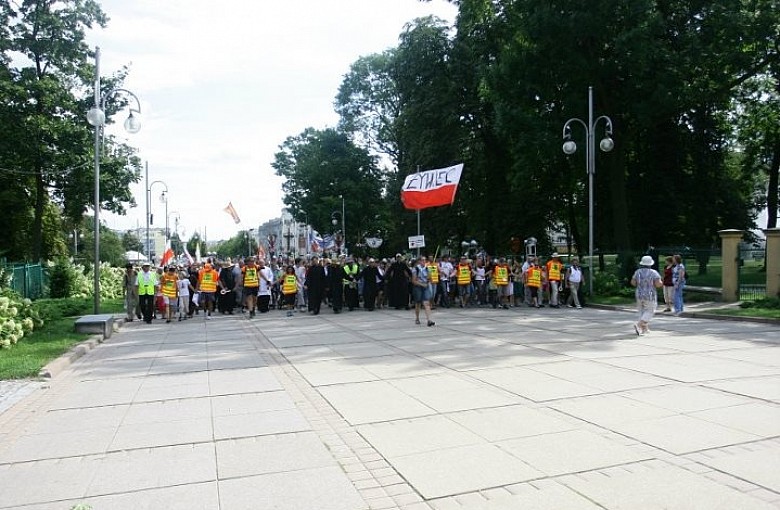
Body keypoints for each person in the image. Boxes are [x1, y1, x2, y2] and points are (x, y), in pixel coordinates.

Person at [631, 255, 663, 335]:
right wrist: (661, 282)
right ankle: (639, 325)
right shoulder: (653, 272)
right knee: (650, 311)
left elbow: (633, 283)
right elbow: (658, 284)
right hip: (650, 295)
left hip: (639, 294)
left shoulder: (637, 272)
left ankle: (644, 329)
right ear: (650, 264)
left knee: (641, 311)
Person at [411, 258, 435, 326]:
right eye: (422, 260)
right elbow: (414, 281)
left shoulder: (427, 269)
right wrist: (422, 284)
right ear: (419, 261)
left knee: (426, 303)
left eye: (425, 260)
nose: (424, 262)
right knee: (418, 303)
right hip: (418, 287)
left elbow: (430, 279)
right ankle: (417, 318)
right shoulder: (415, 269)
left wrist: (429, 278)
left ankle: (429, 320)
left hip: (425, 287)